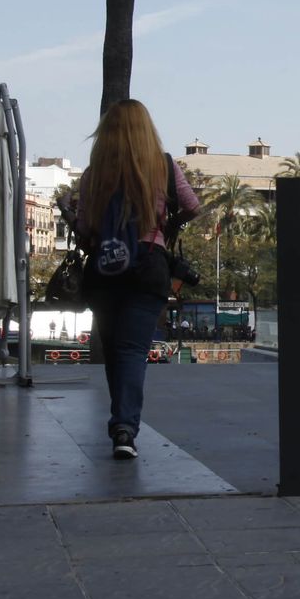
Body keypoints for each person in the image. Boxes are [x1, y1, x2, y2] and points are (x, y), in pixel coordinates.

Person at [66, 99, 199, 460]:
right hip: (148, 264)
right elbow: (192, 204)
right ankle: (125, 427)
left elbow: (84, 227)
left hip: (104, 269)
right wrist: (166, 225)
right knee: (132, 351)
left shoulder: (95, 174)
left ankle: (122, 423)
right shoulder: (164, 166)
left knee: (114, 350)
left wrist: (72, 211)